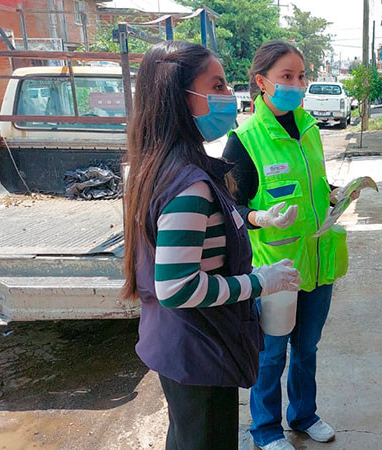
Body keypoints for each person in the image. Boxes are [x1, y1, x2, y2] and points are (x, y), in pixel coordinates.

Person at [121, 41, 301, 450]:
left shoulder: (161, 167)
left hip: (183, 348)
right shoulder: (189, 186)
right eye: (217, 86)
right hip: (199, 351)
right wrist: (259, 282)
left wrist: (256, 221)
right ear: (180, 98)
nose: (229, 97)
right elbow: (176, 286)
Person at [223, 40, 350, 450]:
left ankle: (303, 414)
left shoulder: (310, 128)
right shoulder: (244, 139)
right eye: (286, 77)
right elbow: (230, 209)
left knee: (307, 348)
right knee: (271, 354)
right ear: (262, 82)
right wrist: (260, 217)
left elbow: (311, 186)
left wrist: (332, 194)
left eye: (301, 76)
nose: (297, 85)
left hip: (317, 259)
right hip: (275, 269)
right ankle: (265, 430)